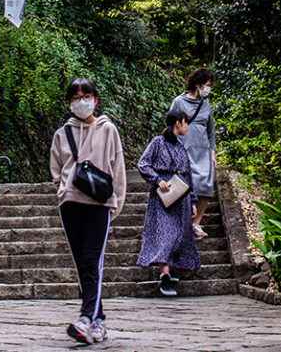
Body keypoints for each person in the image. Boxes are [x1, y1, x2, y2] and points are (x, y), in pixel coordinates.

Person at [50, 78, 127, 345]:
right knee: (82, 262)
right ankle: (99, 320)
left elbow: (117, 168)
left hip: (99, 204)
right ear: (68, 102)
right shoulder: (62, 134)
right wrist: (63, 190)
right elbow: (56, 169)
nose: (81, 101)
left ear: (95, 98)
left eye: (86, 95)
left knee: (92, 260)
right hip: (70, 203)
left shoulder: (108, 130)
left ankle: (85, 318)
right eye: (75, 97)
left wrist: (115, 201)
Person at [136, 109, 201, 296]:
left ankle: (171, 269)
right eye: (185, 122)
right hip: (162, 197)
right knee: (165, 234)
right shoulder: (157, 142)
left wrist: (193, 201)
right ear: (178, 123)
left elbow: (188, 175)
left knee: (179, 234)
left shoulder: (181, 147)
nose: (187, 126)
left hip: (181, 196)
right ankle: (164, 274)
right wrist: (157, 179)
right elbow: (143, 163)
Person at [169, 67, 217, 238]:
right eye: (207, 85)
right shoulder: (179, 102)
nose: (208, 89)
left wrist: (213, 152)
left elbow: (210, 131)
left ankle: (196, 223)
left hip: (203, 151)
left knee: (205, 187)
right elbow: (170, 126)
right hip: (184, 150)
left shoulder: (206, 106)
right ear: (197, 85)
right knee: (184, 186)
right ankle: (182, 223)